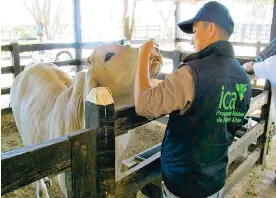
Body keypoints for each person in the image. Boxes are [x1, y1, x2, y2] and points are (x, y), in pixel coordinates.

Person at [134, 1, 252, 198]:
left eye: (195, 31)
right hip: (215, 181)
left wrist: (142, 57)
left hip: (183, 183)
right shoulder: (243, 78)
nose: (192, 40)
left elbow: (143, 104)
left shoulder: (192, 74)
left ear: (211, 28)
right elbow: (232, 125)